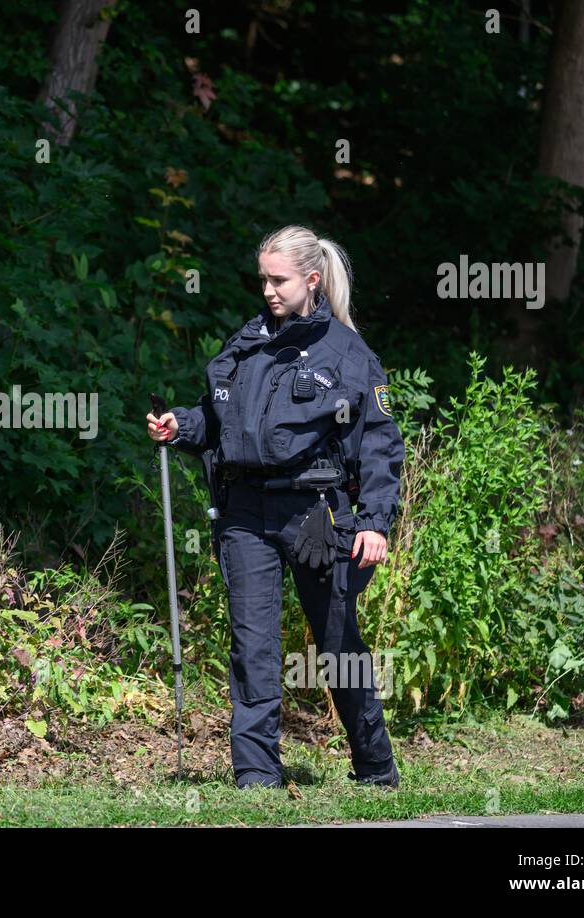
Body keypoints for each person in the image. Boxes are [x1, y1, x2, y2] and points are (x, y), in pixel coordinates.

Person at [146, 224, 404, 790]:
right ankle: (257, 776)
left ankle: (377, 770)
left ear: (311, 280)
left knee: (337, 643)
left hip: (318, 515)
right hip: (245, 513)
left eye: (279, 279)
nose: (268, 289)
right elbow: (217, 420)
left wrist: (376, 523)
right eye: (262, 278)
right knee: (253, 646)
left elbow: (380, 445)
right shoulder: (247, 345)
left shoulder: (348, 353)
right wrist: (180, 427)